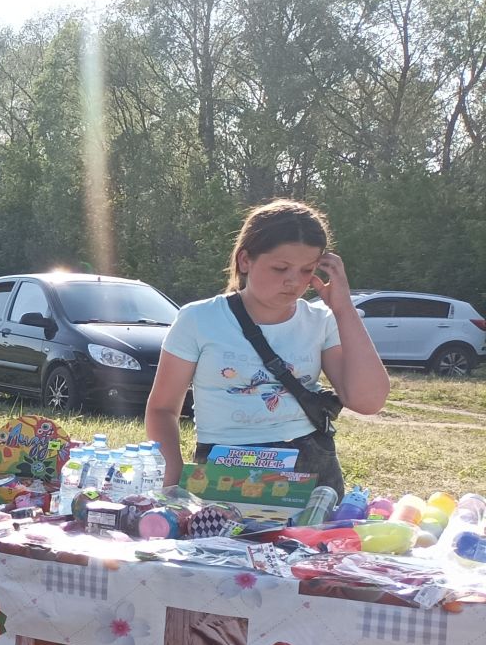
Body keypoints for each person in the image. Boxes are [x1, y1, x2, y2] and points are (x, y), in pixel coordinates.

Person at [146, 199, 389, 496]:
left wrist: (343, 309)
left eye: (306, 270)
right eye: (280, 268)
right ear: (245, 260)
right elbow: (161, 409)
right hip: (225, 471)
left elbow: (368, 401)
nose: (293, 281)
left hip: (309, 472)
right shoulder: (199, 319)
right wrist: (172, 485)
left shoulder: (320, 321)